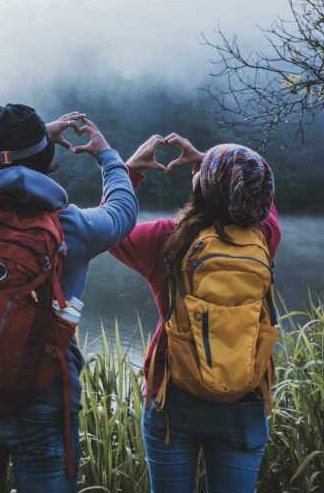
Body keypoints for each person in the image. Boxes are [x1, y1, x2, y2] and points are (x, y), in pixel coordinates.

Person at [0, 104, 138, 492]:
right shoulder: (70, 227)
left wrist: (16, 147)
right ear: (46, 158)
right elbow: (122, 211)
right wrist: (107, 156)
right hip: (45, 398)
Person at [110, 134, 281, 493]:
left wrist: (130, 170)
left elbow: (112, 227)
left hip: (174, 395)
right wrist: (211, 162)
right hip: (245, 395)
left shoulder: (167, 238)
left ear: (204, 187)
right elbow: (259, 195)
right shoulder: (263, 237)